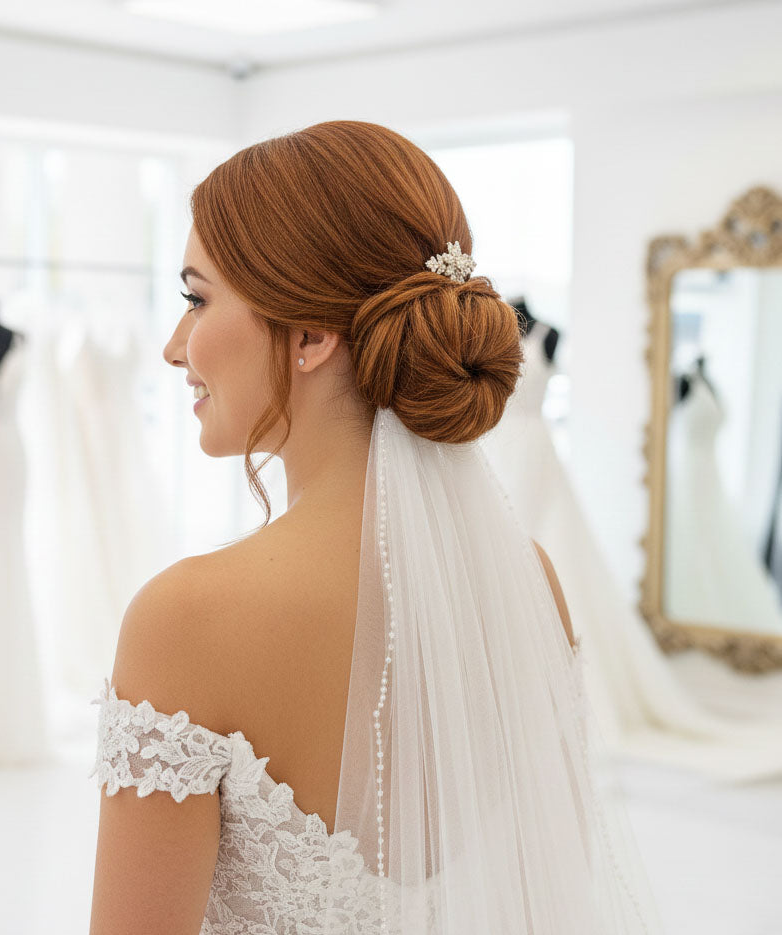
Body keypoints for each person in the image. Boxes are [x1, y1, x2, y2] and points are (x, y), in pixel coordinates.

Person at [89, 120, 661, 934]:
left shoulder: (183, 619)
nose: (173, 345)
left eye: (196, 298)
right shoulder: (526, 577)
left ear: (312, 336)